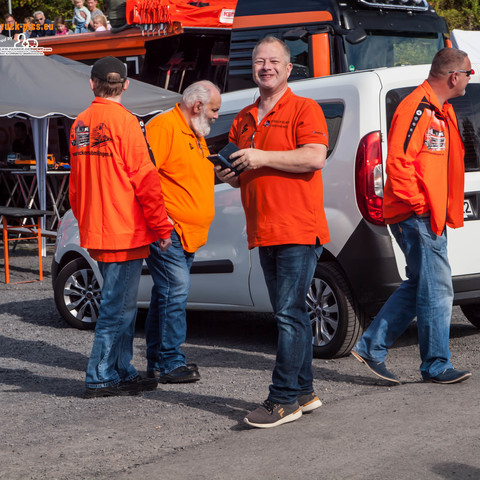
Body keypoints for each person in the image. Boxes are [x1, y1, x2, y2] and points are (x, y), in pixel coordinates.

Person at [216, 36, 329, 428]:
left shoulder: (305, 108)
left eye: (273, 61)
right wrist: (230, 175)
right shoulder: (244, 117)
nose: (266, 66)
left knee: (287, 314)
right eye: (259, 60)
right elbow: (244, 176)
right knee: (292, 313)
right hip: (263, 228)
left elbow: (314, 157)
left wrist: (261, 156)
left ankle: (282, 399)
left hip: (297, 226)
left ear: (287, 67)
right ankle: (304, 392)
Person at [349, 48, 472, 386]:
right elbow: (399, 164)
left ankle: (372, 347)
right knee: (438, 289)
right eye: (468, 74)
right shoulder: (417, 107)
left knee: (422, 284)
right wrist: (421, 205)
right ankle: (435, 365)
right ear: (453, 76)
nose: (468, 81)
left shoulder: (440, 109)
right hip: (417, 215)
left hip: (427, 216)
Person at [69, 56, 173, 398]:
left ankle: (120, 369)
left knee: (123, 306)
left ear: (91, 83)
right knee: (118, 306)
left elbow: (76, 184)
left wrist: (86, 220)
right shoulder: (128, 123)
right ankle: (100, 374)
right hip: (125, 230)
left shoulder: (80, 124)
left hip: (99, 229)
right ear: (126, 85)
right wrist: (161, 228)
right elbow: (146, 180)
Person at [143, 81, 221, 385]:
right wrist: (161, 222)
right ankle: (169, 361)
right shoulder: (164, 126)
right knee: (174, 293)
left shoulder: (195, 132)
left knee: (165, 296)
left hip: (186, 233)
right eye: (214, 109)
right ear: (198, 106)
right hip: (169, 231)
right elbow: (146, 177)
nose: (216, 116)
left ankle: (158, 361)